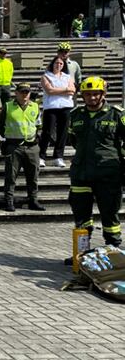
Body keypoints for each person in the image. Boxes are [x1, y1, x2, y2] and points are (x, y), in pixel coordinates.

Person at [67, 77, 125, 247]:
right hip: (81, 174)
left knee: (109, 215)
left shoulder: (117, 114)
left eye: (95, 94)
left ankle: (113, 251)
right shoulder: (75, 115)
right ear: (82, 96)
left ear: (103, 94)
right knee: (81, 216)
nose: (91, 98)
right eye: (88, 94)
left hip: (108, 174)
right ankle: (81, 252)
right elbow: (74, 140)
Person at [0, 83, 44, 213]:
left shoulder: (35, 106)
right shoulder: (7, 106)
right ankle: (9, 200)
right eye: (22, 92)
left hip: (32, 146)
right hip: (14, 146)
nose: (24, 95)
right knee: (11, 175)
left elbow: (38, 124)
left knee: (33, 175)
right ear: (16, 93)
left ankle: (33, 199)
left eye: (27, 92)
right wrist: (8, 136)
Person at [39, 55, 76, 168]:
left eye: (61, 64)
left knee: (62, 133)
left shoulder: (67, 76)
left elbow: (72, 91)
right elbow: (49, 90)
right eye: (57, 63)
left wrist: (58, 91)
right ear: (52, 64)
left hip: (65, 107)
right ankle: (41, 156)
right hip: (51, 106)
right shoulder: (46, 76)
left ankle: (58, 157)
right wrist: (65, 90)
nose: (59, 65)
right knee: (47, 132)